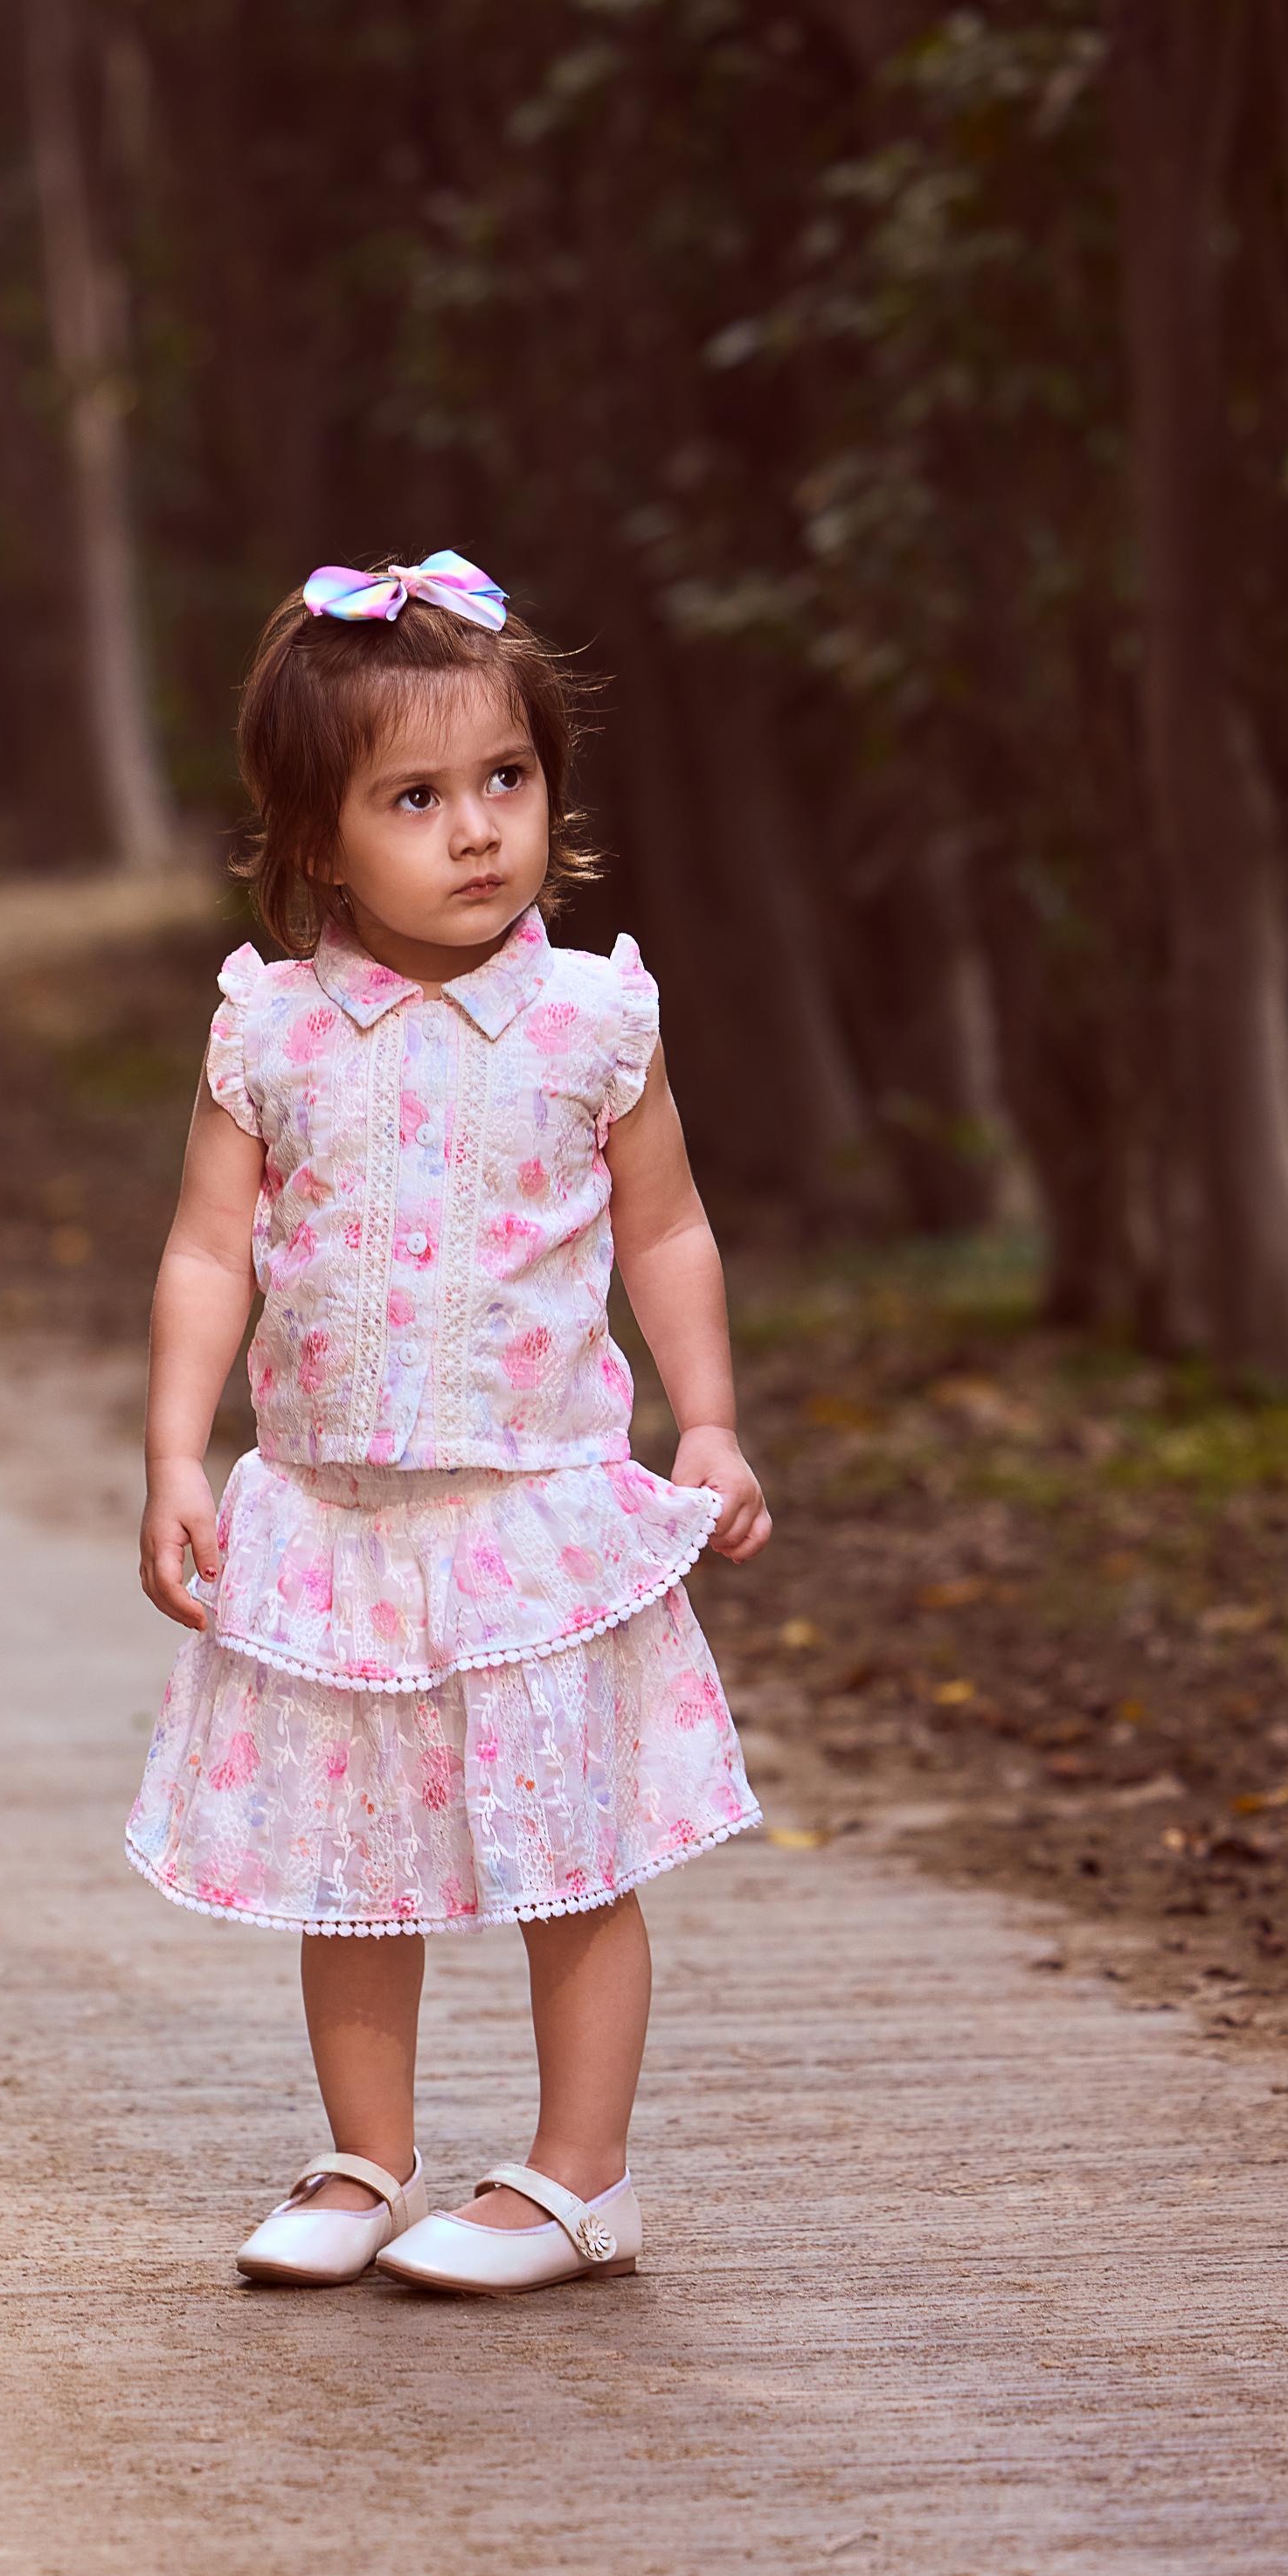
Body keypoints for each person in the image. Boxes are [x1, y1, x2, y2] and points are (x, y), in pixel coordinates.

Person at [126, 550, 771, 2296]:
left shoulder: (590, 1016)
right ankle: (364, 2151)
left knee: (573, 1849)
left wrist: (701, 1421)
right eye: (415, 797)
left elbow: (666, 1227)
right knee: (354, 1862)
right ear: (321, 839)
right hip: (332, 1514)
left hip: (532, 1514)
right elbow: (208, 1249)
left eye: (505, 778)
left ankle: (579, 2173)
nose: (476, 828)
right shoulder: (269, 1028)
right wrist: (179, 1450)